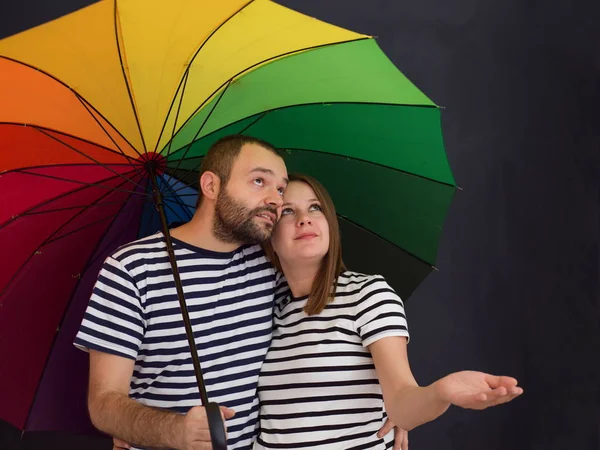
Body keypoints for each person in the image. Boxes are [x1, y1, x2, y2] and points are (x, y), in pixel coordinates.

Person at [75, 135, 402, 450]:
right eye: (259, 181)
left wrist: (397, 399)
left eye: (280, 188)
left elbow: (334, 335)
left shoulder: (270, 265)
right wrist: (175, 431)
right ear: (211, 186)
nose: (276, 199)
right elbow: (103, 404)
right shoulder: (132, 268)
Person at [252, 173, 524, 449]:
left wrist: (441, 392)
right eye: (287, 211)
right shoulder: (270, 312)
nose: (304, 218)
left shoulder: (367, 294)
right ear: (268, 236)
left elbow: (401, 404)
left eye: (315, 207)